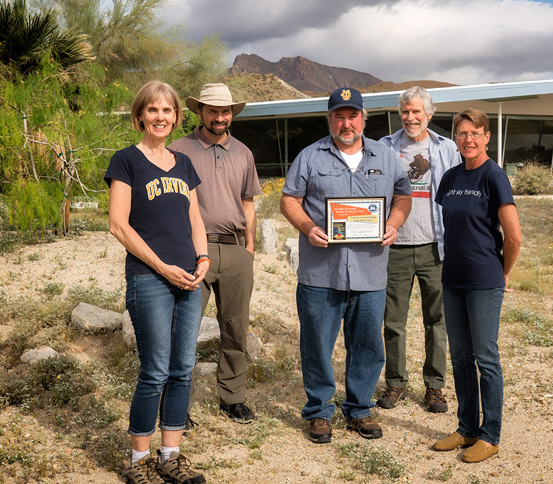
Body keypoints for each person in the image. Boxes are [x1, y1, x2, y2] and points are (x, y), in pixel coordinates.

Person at [280, 87, 412, 444]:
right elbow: (289, 199)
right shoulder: (310, 156)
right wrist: (307, 227)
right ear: (329, 120)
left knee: (368, 344)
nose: (346, 122)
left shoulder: (385, 157)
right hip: (321, 271)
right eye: (339, 115)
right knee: (318, 344)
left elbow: (403, 195)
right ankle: (320, 412)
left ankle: (359, 409)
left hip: (370, 272)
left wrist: (394, 223)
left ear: (363, 119)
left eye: (352, 115)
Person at [105, 81, 207, 484]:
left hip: (189, 278)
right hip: (149, 278)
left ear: (177, 117)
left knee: (184, 368)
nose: (161, 117)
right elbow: (118, 224)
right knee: (156, 370)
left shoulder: (183, 164)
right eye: (153, 110)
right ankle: (138, 462)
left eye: (168, 111)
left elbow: (196, 220)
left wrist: (202, 259)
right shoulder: (126, 161)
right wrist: (163, 267)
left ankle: (170, 456)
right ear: (140, 116)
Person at [432, 109, 522, 463]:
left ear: (486, 136)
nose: (468, 139)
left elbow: (513, 236)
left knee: (486, 358)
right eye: (461, 134)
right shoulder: (451, 177)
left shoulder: (494, 176)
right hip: (452, 278)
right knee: (460, 358)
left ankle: (491, 434)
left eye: (475, 133)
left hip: (484, 279)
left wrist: (502, 273)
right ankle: (467, 427)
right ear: (456, 139)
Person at [169, 83, 261, 424]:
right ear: (199, 112)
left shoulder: (244, 153)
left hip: (236, 251)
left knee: (235, 328)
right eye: (212, 110)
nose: (219, 117)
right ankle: (180, 405)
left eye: (225, 111)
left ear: (231, 114)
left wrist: (249, 248)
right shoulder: (178, 151)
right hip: (193, 250)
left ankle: (233, 398)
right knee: (185, 330)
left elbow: (248, 204)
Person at [377, 87, 461, 413]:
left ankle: (435, 386)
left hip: (434, 248)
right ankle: (396, 383)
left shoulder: (447, 148)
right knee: (394, 321)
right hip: (395, 248)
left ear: (429, 113)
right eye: (405, 112)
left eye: (416, 112)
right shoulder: (384, 147)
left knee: (436, 321)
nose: (410, 118)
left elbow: (456, 196)